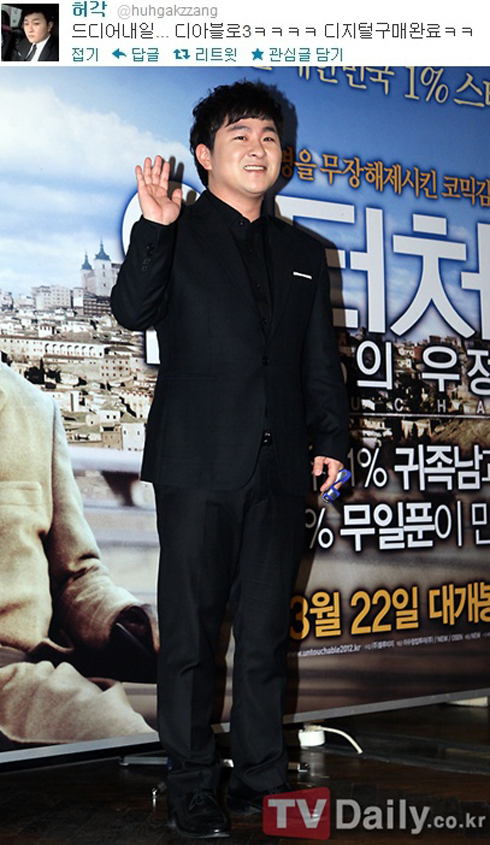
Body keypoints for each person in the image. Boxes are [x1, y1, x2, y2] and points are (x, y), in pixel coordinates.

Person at [111, 80, 350, 839]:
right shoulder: (174, 228)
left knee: (265, 637)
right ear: (205, 155)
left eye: (269, 137)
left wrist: (330, 442)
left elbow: (318, 364)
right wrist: (153, 229)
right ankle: (190, 784)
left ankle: (261, 778)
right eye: (239, 135)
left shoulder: (304, 253)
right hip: (197, 464)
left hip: (280, 472)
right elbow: (131, 311)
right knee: (189, 637)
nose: (257, 147)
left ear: (284, 157)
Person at [0, 361, 157, 747]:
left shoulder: (34, 408)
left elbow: (75, 574)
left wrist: (130, 624)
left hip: (21, 683)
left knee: (134, 746)